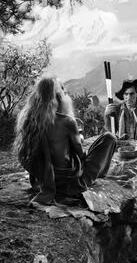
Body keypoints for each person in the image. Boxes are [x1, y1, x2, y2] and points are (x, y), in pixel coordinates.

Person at [14, 77, 117, 205]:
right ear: (58, 97)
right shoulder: (67, 122)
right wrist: (78, 140)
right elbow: (81, 156)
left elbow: (25, 157)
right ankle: (96, 176)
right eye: (63, 90)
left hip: (41, 182)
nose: (66, 93)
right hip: (71, 184)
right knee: (109, 138)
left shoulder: (27, 120)